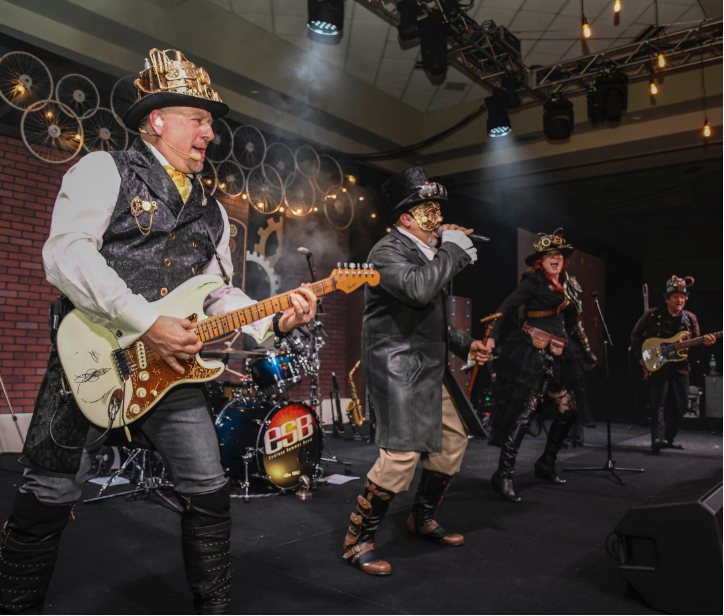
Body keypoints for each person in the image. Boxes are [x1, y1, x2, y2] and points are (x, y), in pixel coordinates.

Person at [0, 48, 316, 615]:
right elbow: (67, 257)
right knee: (49, 493)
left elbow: (218, 291)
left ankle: (213, 607)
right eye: (197, 119)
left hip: (172, 373)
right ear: (157, 120)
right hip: (93, 359)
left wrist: (273, 317)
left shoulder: (214, 212)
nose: (209, 133)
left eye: (211, 123)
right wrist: (147, 322)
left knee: (210, 490)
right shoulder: (104, 170)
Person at [341, 167, 492, 576]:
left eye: (439, 211)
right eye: (428, 212)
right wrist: (454, 251)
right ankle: (359, 539)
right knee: (402, 455)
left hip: (427, 363)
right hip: (397, 365)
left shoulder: (427, 255)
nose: (437, 220)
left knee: (452, 440)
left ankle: (421, 517)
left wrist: (466, 344)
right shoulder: (387, 252)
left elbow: (432, 318)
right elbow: (418, 289)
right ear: (406, 218)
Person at [486, 229, 596, 503]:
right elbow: (506, 306)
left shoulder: (569, 284)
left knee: (568, 409)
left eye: (559, 255)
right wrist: (491, 337)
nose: (556, 259)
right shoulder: (533, 282)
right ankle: (504, 474)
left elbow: (574, 323)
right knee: (525, 413)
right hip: (532, 352)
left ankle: (546, 462)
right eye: (550, 256)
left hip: (560, 353)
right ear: (540, 261)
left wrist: (587, 351)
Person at [631, 276, 715, 453]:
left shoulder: (690, 319)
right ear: (667, 298)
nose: (680, 300)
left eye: (683, 297)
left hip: (680, 366)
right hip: (659, 364)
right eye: (676, 296)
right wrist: (641, 358)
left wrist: (705, 343)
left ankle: (668, 438)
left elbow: (696, 345)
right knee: (658, 403)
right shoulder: (652, 315)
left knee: (680, 405)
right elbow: (636, 336)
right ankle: (657, 439)